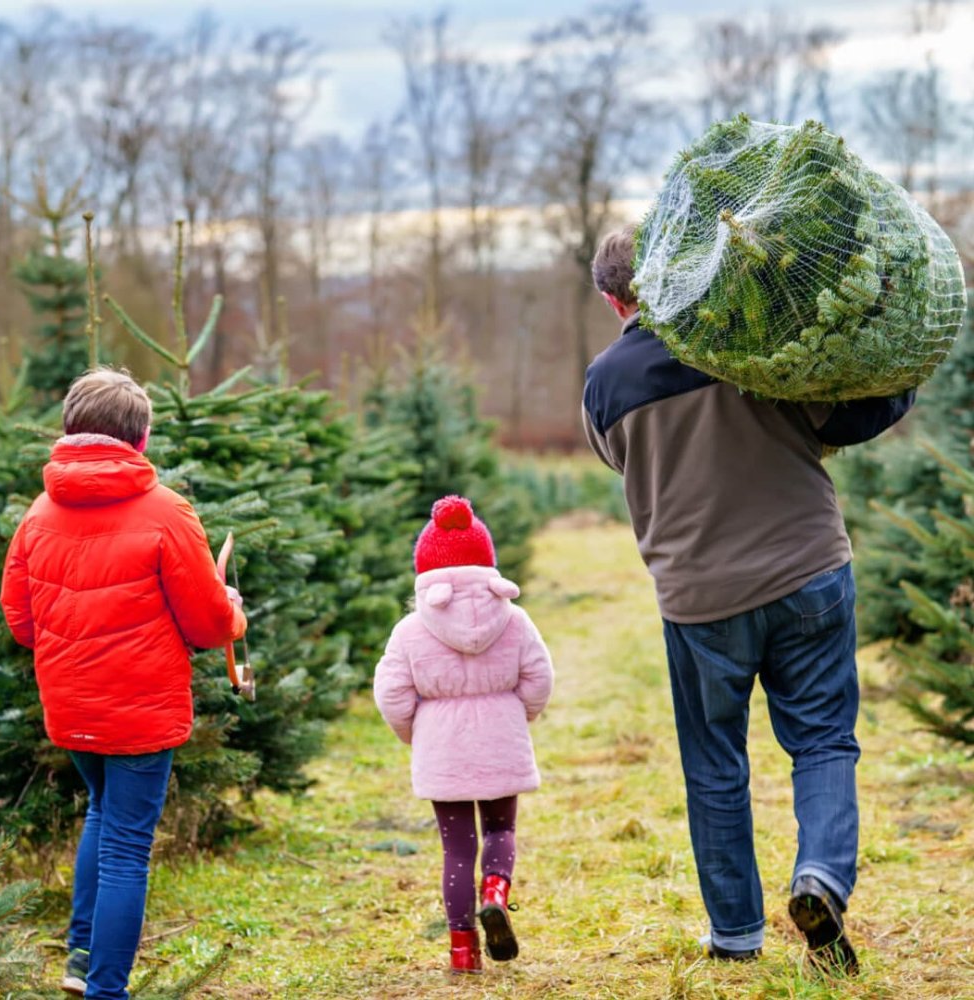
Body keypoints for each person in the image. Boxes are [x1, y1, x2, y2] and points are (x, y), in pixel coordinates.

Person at [582, 225, 917, 974]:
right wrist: (902, 373)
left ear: (613, 300)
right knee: (824, 740)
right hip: (808, 572)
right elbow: (848, 419)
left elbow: (621, 463)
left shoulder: (604, 384)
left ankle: (735, 935)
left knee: (714, 764)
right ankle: (822, 878)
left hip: (701, 600)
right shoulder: (742, 341)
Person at [0, 367, 247, 1000]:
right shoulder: (167, 512)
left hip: (71, 706)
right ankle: (107, 990)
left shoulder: (38, 513)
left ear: (70, 432)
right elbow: (207, 622)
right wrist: (233, 608)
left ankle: (82, 961)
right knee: (127, 849)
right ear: (140, 441)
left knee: (103, 816)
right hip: (141, 712)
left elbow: (21, 623)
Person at [373, 495, 554, 975]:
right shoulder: (515, 620)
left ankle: (463, 952)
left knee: (456, 849)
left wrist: (416, 732)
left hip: (442, 748)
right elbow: (539, 678)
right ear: (487, 563)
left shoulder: (410, 630)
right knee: (501, 829)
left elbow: (391, 694)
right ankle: (495, 891)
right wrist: (523, 716)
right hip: (501, 741)